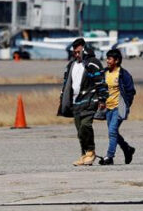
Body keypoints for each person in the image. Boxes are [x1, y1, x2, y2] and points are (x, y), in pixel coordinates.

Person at [57, 38, 108, 166]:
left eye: (78, 51)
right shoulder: (71, 65)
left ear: (84, 50)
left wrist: (102, 99)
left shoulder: (92, 63)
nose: (76, 54)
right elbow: (66, 83)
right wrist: (62, 97)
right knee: (80, 131)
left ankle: (91, 152)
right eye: (74, 52)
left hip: (89, 100)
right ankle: (84, 155)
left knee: (86, 125)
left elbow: (100, 82)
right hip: (75, 103)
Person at [98, 48, 136, 166]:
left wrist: (126, 105)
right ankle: (127, 149)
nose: (107, 61)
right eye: (107, 58)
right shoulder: (104, 73)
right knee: (113, 132)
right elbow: (100, 88)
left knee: (112, 131)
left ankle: (109, 157)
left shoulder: (123, 74)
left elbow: (131, 91)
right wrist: (100, 101)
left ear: (117, 60)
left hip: (118, 108)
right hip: (107, 108)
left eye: (109, 58)